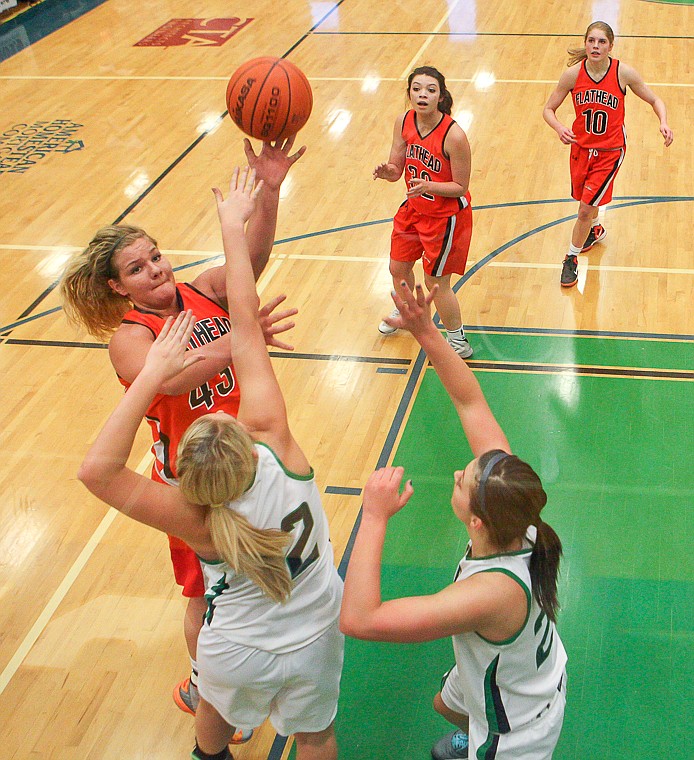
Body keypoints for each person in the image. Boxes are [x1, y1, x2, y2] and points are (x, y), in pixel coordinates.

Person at [78, 166, 344, 760]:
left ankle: (221, 696)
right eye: (137, 269)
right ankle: (205, 683)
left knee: (234, 585)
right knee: (203, 596)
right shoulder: (131, 338)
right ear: (120, 288)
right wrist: (244, 333)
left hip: (244, 461)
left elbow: (254, 256)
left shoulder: (202, 290)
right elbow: (177, 373)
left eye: (155, 257)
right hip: (192, 483)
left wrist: (269, 195)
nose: (154, 270)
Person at [340, 283, 567, 760]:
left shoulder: (490, 593)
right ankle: (472, 723)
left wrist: (375, 517)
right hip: (517, 669)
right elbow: (470, 402)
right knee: (446, 703)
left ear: (478, 522)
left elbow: (361, 619)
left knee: (460, 713)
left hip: (518, 731)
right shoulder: (513, 506)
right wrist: (427, 332)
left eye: (462, 480)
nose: (459, 471)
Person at [543, 21, 673, 288]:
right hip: (581, 148)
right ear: (585, 43)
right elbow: (548, 109)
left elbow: (655, 99)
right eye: (591, 40)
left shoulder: (622, 73)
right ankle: (595, 229)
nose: (595, 46)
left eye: (602, 42)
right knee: (587, 201)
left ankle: (571, 258)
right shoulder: (573, 74)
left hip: (611, 151)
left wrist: (664, 121)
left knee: (583, 210)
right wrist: (558, 128)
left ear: (611, 46)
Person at [373, 65, 474, 359]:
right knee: (398, 268)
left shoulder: (454, 136)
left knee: (436, 283)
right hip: (414, 208)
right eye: (417, 89)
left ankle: (457, 340)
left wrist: (430, 184)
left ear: (440, 96)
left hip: (445, 218)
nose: (422, 95)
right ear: (409, 94)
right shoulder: (403, 121)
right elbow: (397, 170)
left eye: (430, 90)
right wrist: (387, 171)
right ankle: (408, 313)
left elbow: (461, 186)